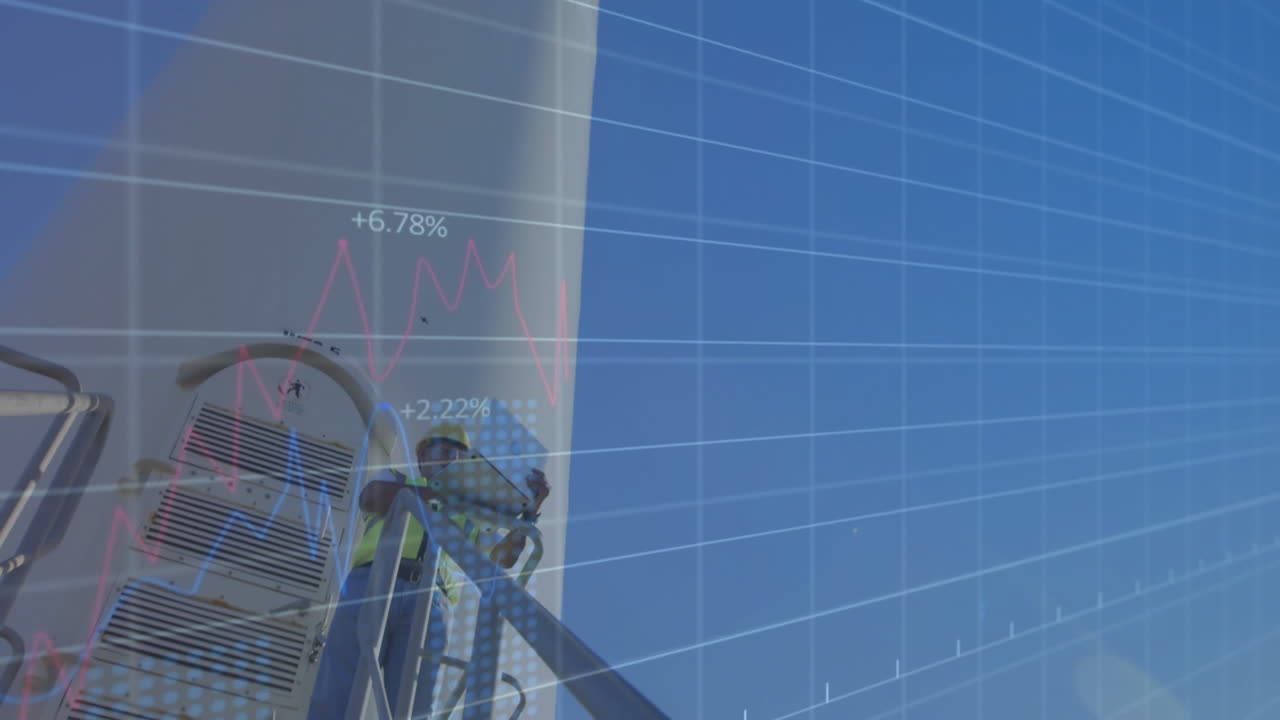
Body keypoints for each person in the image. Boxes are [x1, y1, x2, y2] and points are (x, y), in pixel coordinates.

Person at [308, 421, 551, 718]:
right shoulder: (396, 478)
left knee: (414, 708)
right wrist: (438, 495)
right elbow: (370, 496)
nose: (453, 461)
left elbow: (504, 558)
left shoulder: (470, 515)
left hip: (432, 601)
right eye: (446, 451)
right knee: (339, 689)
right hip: (371, 584)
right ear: (423, 457)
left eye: (461, 457)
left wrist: (530, 513)